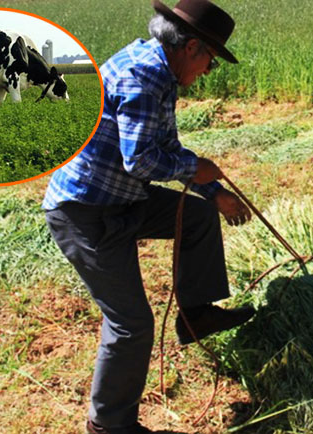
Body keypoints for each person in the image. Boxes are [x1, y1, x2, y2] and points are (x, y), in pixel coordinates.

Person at [43, 1, 255, 432]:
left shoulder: (160, 68)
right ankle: (109, 425)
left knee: (196, 216)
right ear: (191, 48)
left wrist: (214, 193)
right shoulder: (143, 75)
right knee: (131, 324)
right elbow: (140, 160)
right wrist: (195, 167)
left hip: (122, 199)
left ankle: (195, 314)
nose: (207, 72)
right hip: (87, 211)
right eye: (211, 62)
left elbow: (165, 149)